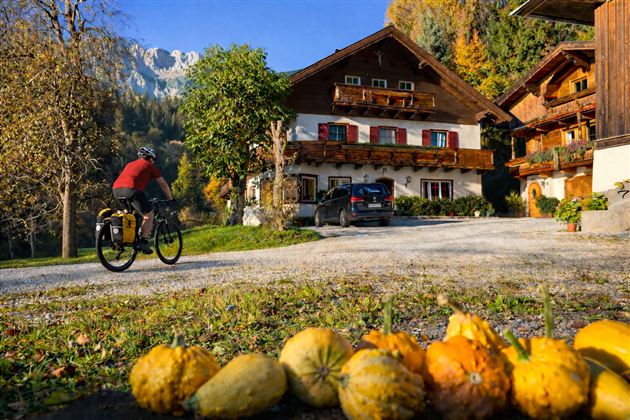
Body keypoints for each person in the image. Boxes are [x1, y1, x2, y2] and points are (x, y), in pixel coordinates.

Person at [112, 146, 173, 254]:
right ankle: (143, 242)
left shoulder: (129, 164)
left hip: (116, 190)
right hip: (131, 190)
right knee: (148, 215)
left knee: (130, 214)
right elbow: (163, 184)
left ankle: (125, 238)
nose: (153, 161)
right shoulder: (150, 166)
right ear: (150, 158)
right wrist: (170, 198)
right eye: (153, 159)